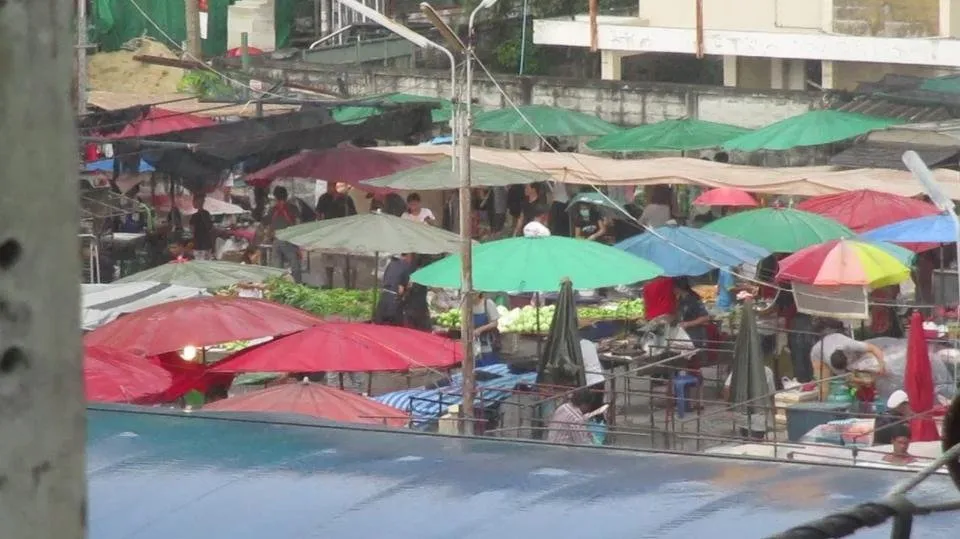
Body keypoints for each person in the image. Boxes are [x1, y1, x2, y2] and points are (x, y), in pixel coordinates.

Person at [316, 182, 358, 288]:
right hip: (329, 234)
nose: (330, 187)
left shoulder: (346, 199)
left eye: (332, 185)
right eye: (328, 185)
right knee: (328, 262)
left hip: (344, 234)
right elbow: (319, 214)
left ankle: (349, 287)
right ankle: (329, 285)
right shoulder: (324, 198)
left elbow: (354, 216)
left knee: (346, 263)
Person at [722, 365, 776, 441]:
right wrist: (774, 411)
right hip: (758, 415)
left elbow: (727, 387)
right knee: (755, 441)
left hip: (743, 413)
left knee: (746, 436)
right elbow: (771, 394)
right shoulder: (766, 371)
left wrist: (729, 407)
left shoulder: (740, 367)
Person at [263, 186, 302, 283]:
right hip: (289, 240)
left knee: (277, 268)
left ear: (275, 197)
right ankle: (297, 284)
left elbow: (269, 227)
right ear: (286, 196)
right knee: (294, 264)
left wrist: (267, 238)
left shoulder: (272, 210)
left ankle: (279, 285)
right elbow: (298, 224)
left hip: (277, 240)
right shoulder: (293, 208)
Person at [375, 253, 414, 326]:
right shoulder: (406, 266)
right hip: (393, 301)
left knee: (379, 327)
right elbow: (402, 288)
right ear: (409, 255)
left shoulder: (391, 263)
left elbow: (385, 279)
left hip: (383, 298)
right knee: (394, 328)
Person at [472, 293, 502, 367]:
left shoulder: (487, 303)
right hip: (474, 346)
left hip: (488, 344)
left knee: (490, 369)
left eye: (473, 293)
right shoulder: (468, 305)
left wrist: (480, 329)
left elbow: (495, 323)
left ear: (479, 293)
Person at [189, 193, 215, 260]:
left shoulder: (195, 216)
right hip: (207, 245)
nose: (193, 202)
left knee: (200, 265)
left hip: (199, 246)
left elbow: (192, 230)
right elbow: (210, 228)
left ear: (198, 202)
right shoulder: (206, 213)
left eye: (194, 201)